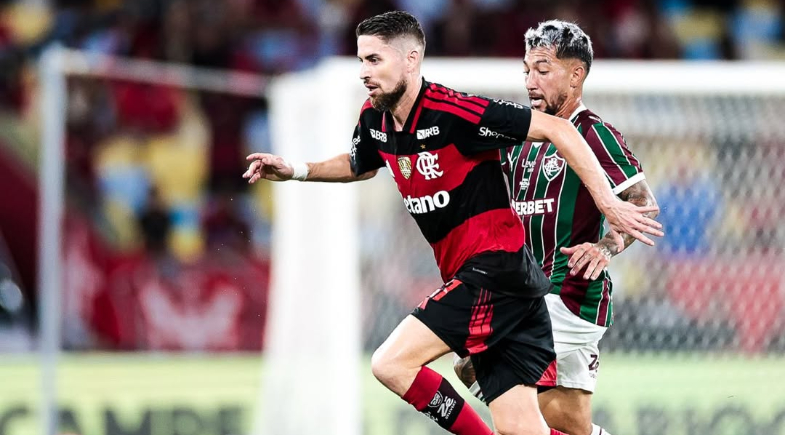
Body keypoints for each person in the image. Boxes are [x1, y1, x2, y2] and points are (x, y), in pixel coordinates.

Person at [243, 11, 662, 435]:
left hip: (546, 288)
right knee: (546, 425)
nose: (530, 81)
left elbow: (628, 191)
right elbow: (361, 163)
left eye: (374, 60)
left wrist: (607, 233)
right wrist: (297, 169)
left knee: (395, 363)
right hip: (523, 283)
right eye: (526, 70)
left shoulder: (506, 120)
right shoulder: (382, 120)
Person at [453, 20, 660, 435]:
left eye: (543, 70)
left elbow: (642, 204)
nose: (530, 82)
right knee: (569, 423)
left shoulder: (593, 133)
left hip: (571, 296)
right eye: (527, 70)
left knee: (473, 362)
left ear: (575, 75)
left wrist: (605, 247)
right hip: (532, 293)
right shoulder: (522, 138)